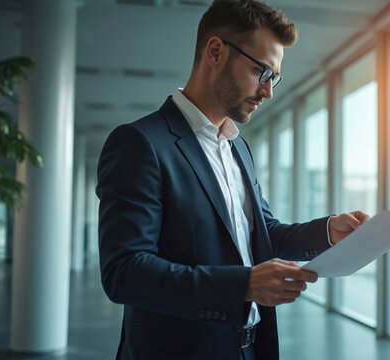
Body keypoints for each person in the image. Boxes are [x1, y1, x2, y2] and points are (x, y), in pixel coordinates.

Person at [96, 1, 368, 359]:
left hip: (250, 348)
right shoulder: (141, 143)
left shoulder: (238, 147)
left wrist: (328, 231)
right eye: (262, 72)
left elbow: (260, 232)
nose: (269, 91)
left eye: (274, 78)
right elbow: (125, 272)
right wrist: (243, 285)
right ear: (216, 52)